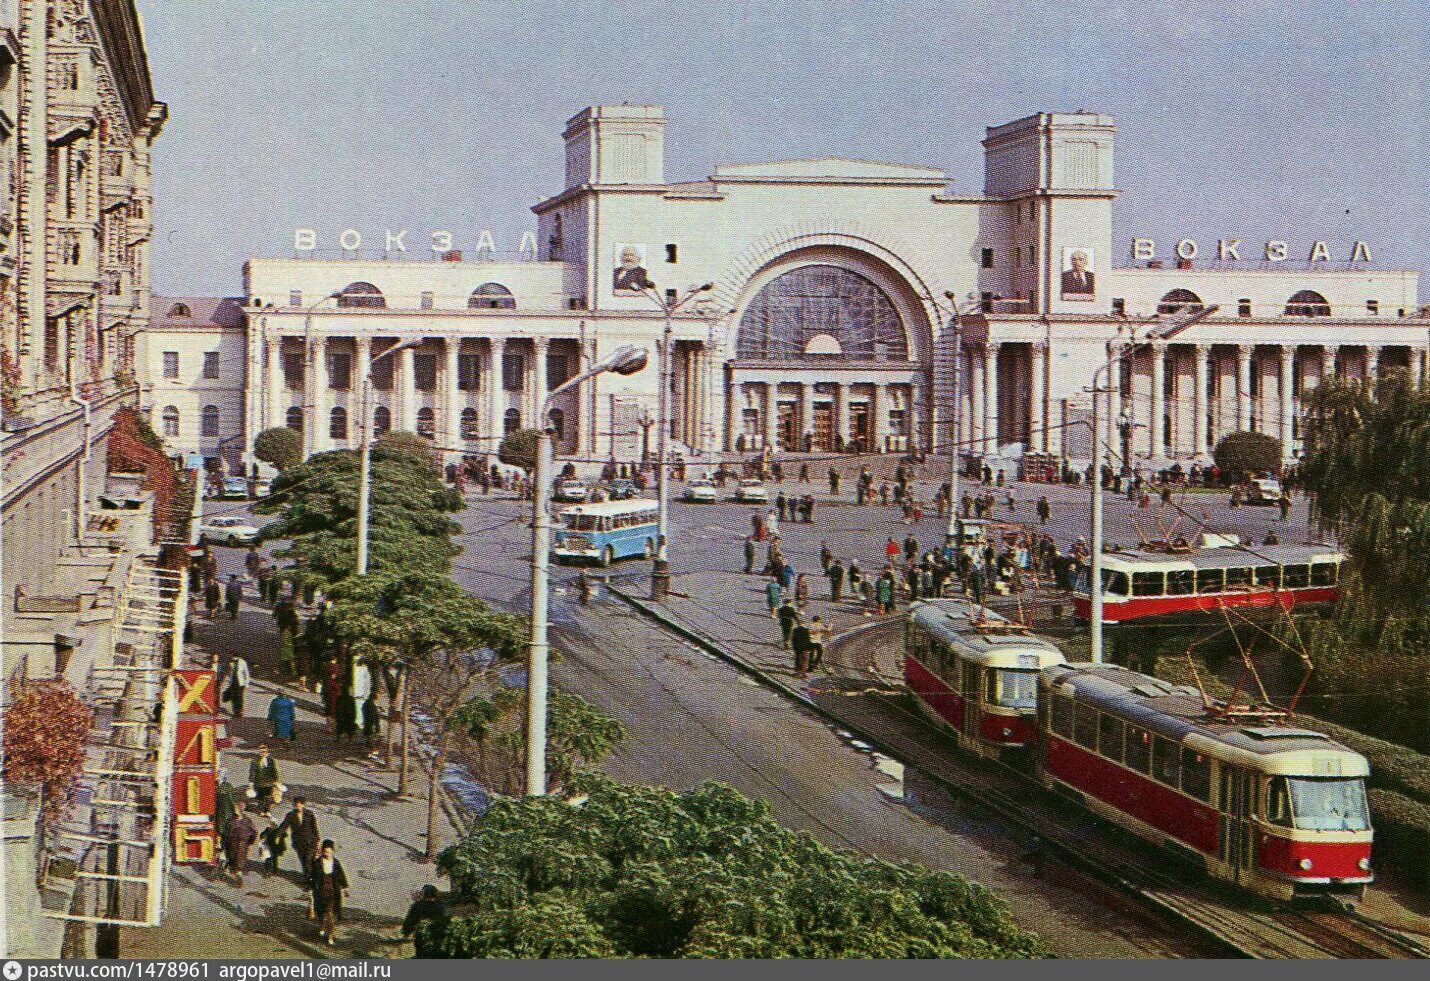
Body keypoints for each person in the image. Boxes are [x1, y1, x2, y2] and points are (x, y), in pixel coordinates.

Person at [310, 840, 349, 945]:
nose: (327, 854)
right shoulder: (317, 863)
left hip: (333, 893)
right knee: (321, 913)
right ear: (322, 851)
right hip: (320, 893)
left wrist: (345, 888)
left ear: (332, 852)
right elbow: (313, 878)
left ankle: (331, 935)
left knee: (330, 914)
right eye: (325, 852)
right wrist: (311, 891)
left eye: (329, 852)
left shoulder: (336, 863)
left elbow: (341, 875)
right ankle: (322, 925)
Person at [276, 796, 321, 884]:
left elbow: (315, 828)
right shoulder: (290, 815)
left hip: (311, 842)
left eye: (300, 804)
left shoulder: (309, 814)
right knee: (303, 861)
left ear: (303, 804)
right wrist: (277, 836)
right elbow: (283, 826)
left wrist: (318, 840)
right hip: (298, 843)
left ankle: (309, 881)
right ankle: (308, 877)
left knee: (309, 860)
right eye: (296, 804)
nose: (298, 806)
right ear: (294, 805)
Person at [402, 885, 449, 955]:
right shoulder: (441, 906)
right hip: (438, 939)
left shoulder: (417, 906)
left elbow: (409, 921)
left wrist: (406, 932)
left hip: (422, 939)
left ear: (424, 894)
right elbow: (446, 921)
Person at [222, 801, 257, 887]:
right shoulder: (232, 820)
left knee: (237, 862)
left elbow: (253, 833)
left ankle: (238, 875)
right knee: (236, 861)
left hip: (241, 844)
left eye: (236, 809)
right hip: (233, 845)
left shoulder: (245, 820)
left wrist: (250, 843)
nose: (235, 810)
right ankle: (238, 874)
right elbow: (254, 832)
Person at [248, 744, 281, 814]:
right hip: (258, 783)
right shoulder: (254, 761)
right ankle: (261, 809)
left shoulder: (271, 760)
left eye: (264, 752)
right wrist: (251, 784)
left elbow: (275, 771)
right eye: (261, 752)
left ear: (268, 753)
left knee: (270, 797)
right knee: (260, 797)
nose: (262, 753)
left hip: (269, 783)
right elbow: (252, 773)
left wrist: (277, 782)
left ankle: (267, 810)